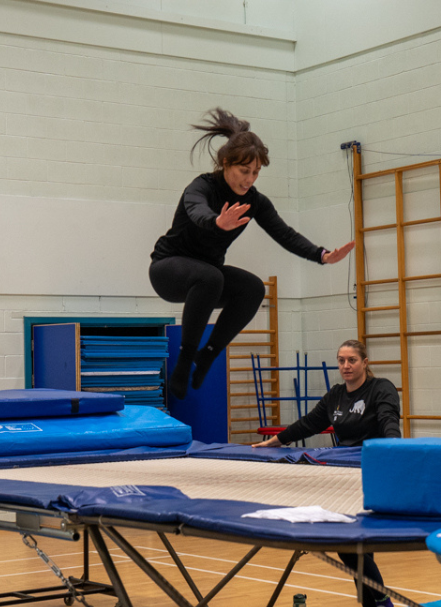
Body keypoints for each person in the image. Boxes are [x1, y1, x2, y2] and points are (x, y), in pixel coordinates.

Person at [150, 108, 354, 399]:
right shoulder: (202, 186)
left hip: (206, 279)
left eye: (256, 172)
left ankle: (208, 354)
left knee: (252, 288)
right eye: (244, 171)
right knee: (210, 277)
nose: (249, 179)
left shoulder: (254, 201)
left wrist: (321, 255)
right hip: (167, 270)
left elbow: (285, 234)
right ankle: (184, 361)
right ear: (225, 163)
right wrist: (216, 222)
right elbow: (196, 211)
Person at [253, 340, 400, 607]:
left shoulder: (381, 388)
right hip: (340, 473)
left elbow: (389, 420)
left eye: (352, 360)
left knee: (353, 541)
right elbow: (309, 423)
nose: (346, 366)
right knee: (349, 542)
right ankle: (377, 606)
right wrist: (276, 441)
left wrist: (392, 449)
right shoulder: (335, 395)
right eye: (341, 360)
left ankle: (378, 601)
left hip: (370, 469)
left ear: (365, 362)